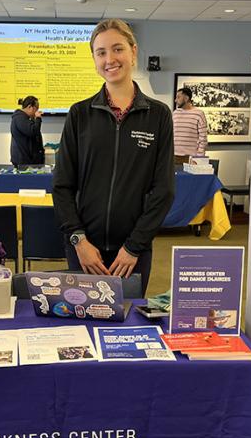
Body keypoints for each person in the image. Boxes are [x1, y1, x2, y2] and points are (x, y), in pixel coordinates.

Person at [53, 19, 175, 295]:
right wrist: (79, 241)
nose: (110, 59)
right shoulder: (79, 115)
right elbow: (62, 186)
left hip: (133, 253)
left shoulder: (158, 116)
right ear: (94, 59)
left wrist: (134, 246)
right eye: (101, 52)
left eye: (117, 49)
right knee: (83, 321)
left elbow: (164, 190)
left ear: (133, 51)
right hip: (84, 250)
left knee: (127, 324)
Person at [173, 87, 208, 165]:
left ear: (186, 98)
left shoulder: (199, 114)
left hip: (190, 159)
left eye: (178, 97)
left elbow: (203, 139)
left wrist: (198, 159)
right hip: (173, 157)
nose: (175, 100)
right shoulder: (175, 114)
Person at [10, 95, 44, 167]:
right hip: (24, 163)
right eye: (36, 108)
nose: (37, 111)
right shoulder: (19, 118)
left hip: (28, 162)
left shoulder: (25, 118)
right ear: (29, 107)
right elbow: (33, 131)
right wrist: (38, 118)